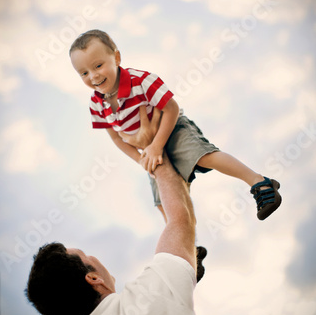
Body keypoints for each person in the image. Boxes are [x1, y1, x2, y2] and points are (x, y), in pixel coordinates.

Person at [25, 114, 233, 315]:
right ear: (93, 278)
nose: (96, 260)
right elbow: (179, 219)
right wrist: (152, 150)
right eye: (87, 256)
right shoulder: (153, 291)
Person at [69, 29, 282, 221]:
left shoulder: (141, 81)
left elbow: (171, 108)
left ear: (116, 58)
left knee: (204, 157)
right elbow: (115, 138)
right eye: (84, 73)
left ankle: (259, 182)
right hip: (149, 149)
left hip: (171, 130)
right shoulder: (96, 103)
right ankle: (190, 248)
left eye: (98, 65)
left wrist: (157, 145)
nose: (94, 76)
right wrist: (141, 159)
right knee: (162, 201)